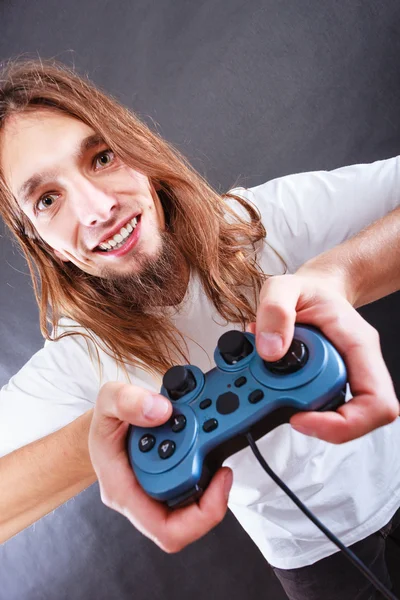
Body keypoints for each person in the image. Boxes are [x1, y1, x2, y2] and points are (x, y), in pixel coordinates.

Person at [0, 58, 399, 599]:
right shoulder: (78, 355)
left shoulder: (259, 222)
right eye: (47, 200)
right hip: (320, 566)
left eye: (103, 156)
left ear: (139, 151)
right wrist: (94, 440)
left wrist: (342, 273)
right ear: (42, 244)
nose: (99, 209)